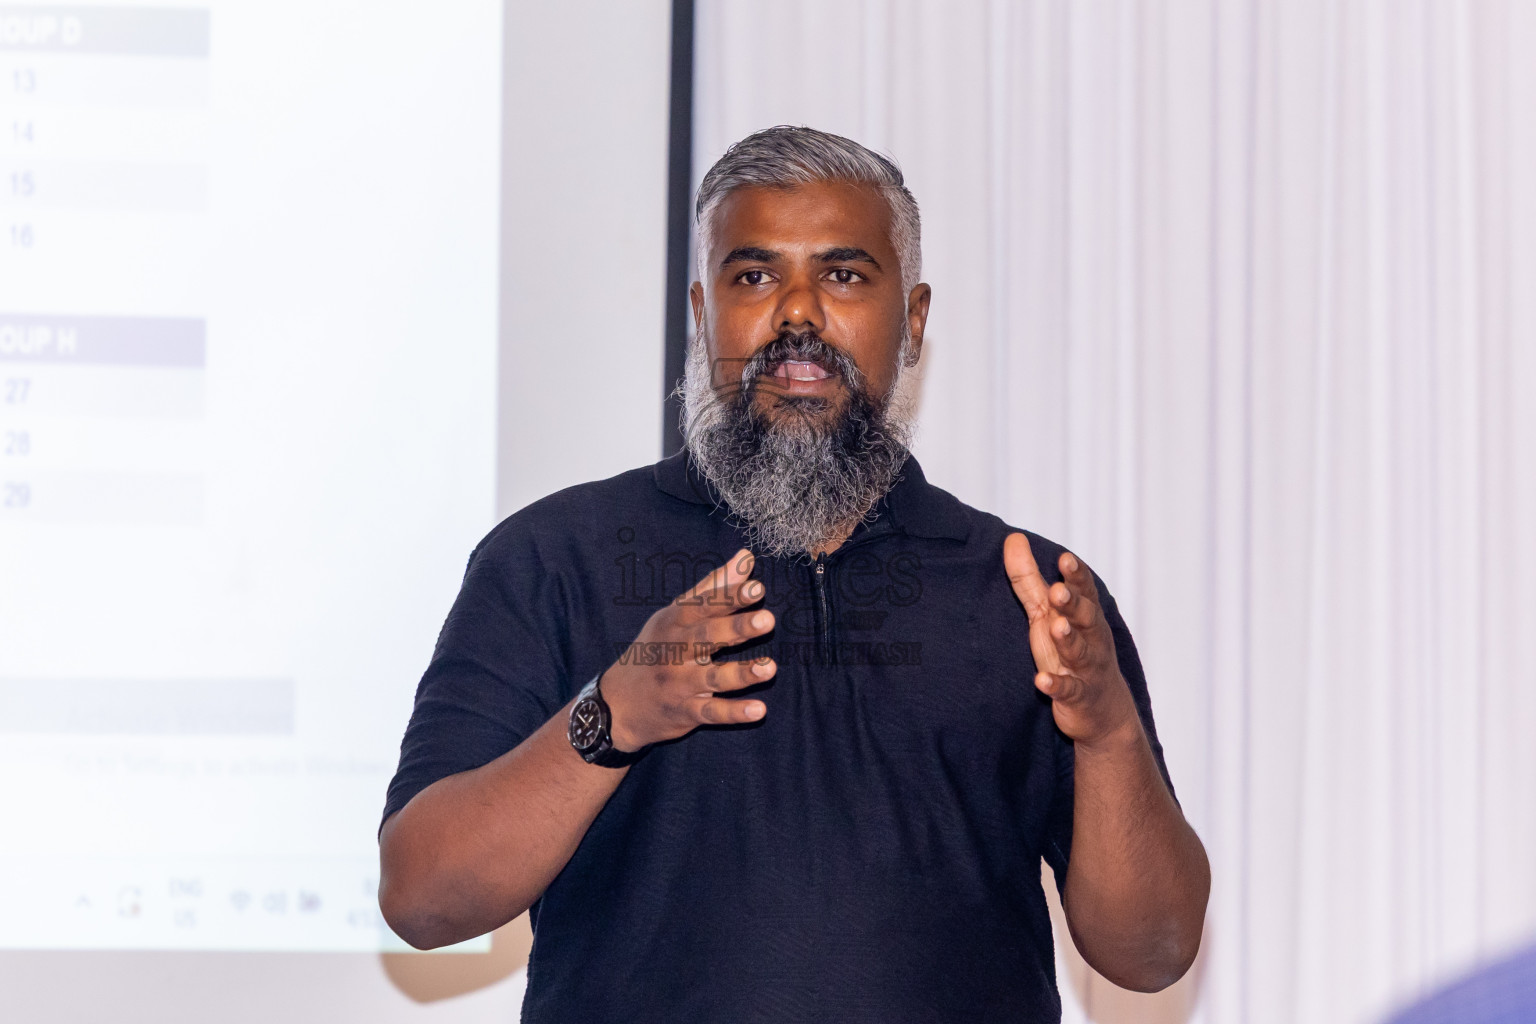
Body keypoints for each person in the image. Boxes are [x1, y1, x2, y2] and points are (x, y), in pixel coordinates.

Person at [378, 125, 1210, 1023]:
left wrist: (1109, 734)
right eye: (755, 276)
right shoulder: (555, 558)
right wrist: (611, 712)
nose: (799, 314)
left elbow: (1153, 954)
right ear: (702, 314)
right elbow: (423, 898)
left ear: (915, 318)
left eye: (845, 275)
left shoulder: (1031, 594)